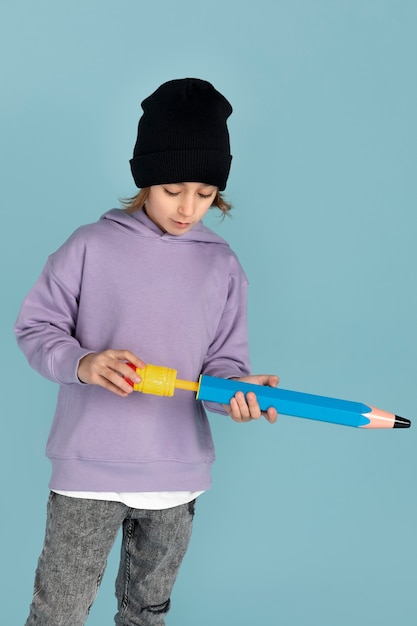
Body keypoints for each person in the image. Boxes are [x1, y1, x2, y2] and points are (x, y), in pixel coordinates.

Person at [14, 78, 278, 626]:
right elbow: (36, 329)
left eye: (205, 194)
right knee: (57, 613)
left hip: (175, 472)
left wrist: (238, 393)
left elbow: (222, 365)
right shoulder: (89, 246)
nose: (188, 208)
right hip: (88, 466)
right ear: (144, 181)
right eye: (173, 189)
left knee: (146, 613)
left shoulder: (222, 265)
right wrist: (84, 363)